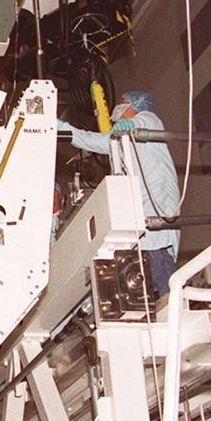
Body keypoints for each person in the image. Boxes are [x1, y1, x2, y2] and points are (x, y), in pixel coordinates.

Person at [57, 90, 181, 297]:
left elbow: (143, 122)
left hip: (157, 221)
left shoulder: (148, 120)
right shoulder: (120, 140)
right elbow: (93, 141)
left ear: (136, 105)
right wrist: (65, 130)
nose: (119, 107)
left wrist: (130, 125)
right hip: (139, 227)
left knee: (162, 283)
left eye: (124, 103)